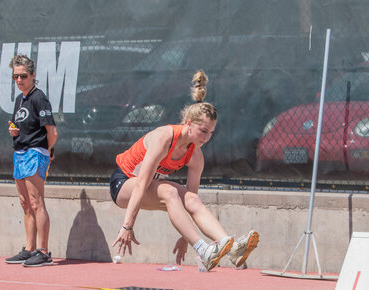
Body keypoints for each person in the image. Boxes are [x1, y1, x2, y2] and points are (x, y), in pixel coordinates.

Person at [109, 71, 258, 271]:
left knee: (191, 198)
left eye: (211, 133)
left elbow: (191, 202)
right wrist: (127, 225)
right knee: (169, 191)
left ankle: (230, 248)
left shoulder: (196, 156)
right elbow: (141, 184)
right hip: (124, 183)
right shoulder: (164, 138)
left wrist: (186, 236)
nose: (206, 138)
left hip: (149, 188)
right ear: (188, 123)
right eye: (203, 131)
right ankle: (204, 250)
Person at [4, 54, 58, 267]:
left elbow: (52, 131)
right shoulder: (20, 99)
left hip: (35, 152)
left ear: (33, 75)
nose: (19, 80)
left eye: (23, 76)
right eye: (15, 77)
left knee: (37, 202)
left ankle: (43, 252)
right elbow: (23, 126)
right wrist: (14, 132)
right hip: (19, 152)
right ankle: (29, 249)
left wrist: (48, 149)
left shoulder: (39, 97)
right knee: (25, 203)